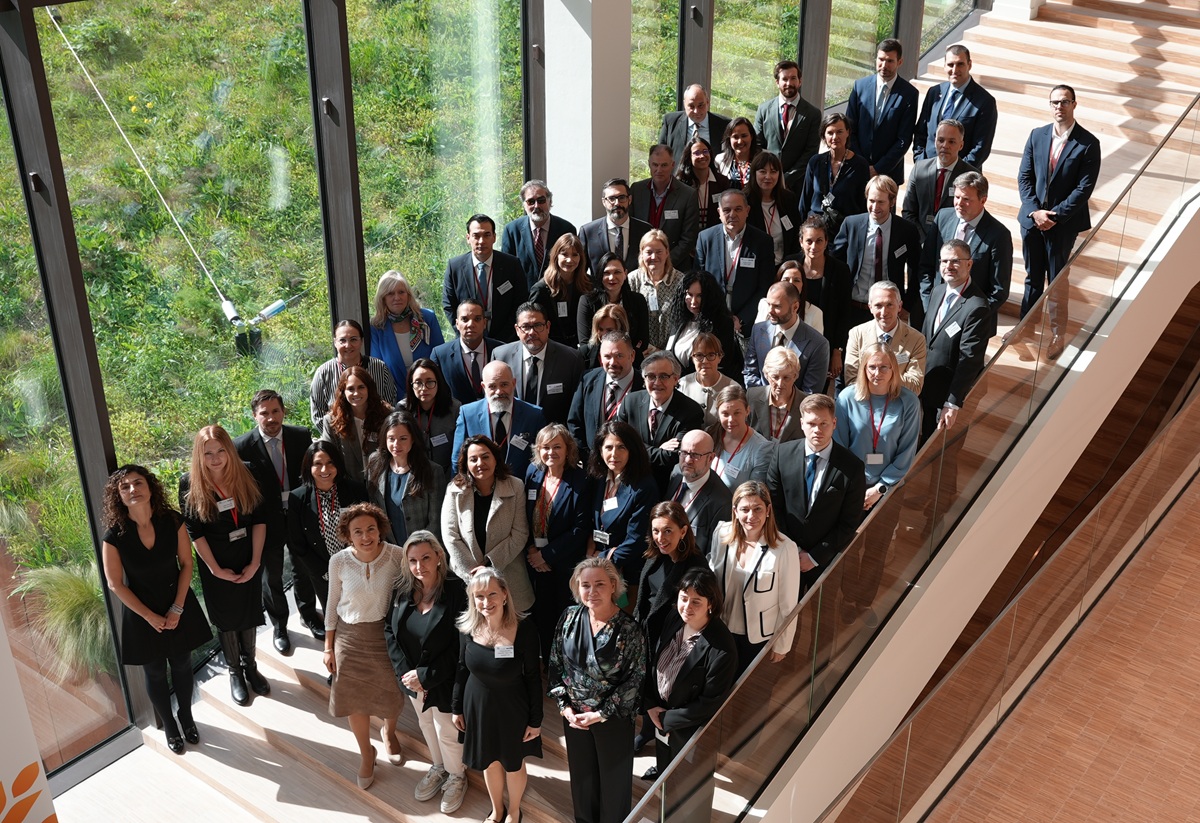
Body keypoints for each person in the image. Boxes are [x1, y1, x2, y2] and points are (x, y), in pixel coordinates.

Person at [101, 466, 211, 754]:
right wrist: (149, 617)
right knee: (155, 672)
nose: (132, 490)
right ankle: (170, 724)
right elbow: (115, 584)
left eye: (138, 483)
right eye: (125, 487)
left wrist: (177, 608)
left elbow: (186, 564)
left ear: (150, 487)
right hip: (142, 614)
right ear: (118, 496)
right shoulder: (113, 537)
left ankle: (186, 716)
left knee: (183, 664)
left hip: (177, 603)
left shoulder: (172, 520)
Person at [548, 556, 647, 823]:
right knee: (582, 782)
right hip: (575, 717)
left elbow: (634, 680)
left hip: (612, 719)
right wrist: (565, 707)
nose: (592, 591)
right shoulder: (569, 617)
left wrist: (599, 714)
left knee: (614, 787)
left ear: (613, 585)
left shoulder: (629, 629)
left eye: (600, 584)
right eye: (586, 585)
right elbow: (556, 663)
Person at [178, 425, 270, 707]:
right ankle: (235, 672)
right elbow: (194, 532)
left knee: (249, 612)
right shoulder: (189, 483)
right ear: (199, 455)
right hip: (215, 562)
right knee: (227, 619)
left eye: (220, 451)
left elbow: (260, 520)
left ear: (229, 450)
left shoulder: (247, 471)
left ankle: (250, 666)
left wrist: (255, 562)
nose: (216, 458)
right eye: (208, 453)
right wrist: (216, 570)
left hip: (248, 555)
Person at [834, 343, 922, 622]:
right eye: (871, 366)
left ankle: (863, 602)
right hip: (852, 488)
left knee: (877, 547)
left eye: (884, 366)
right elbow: (839, 448)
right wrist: (857, 488)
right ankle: (848, 596)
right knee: (848, 545)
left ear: (894, 369)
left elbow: (906, 452)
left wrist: (879, 489)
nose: (877, 372)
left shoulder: (908, 402)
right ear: (863, 369)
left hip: (889, 489)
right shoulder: (847, 398)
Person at [384, 532, 469, 814]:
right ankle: (439, 767)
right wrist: (406, 673)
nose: (419, 566)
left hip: (443, 678)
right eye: (413, 560)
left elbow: (461, 645)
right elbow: (389, 630)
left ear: (439, 557)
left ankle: (457, 775)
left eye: (425, 558)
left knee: (447, 730)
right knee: (425, 724)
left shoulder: (457, 591)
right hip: (411, 680)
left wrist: (426, 675)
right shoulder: (401, 588)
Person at [323, 503, 406, 789]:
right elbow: (332, 604)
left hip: (385, 635)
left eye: (371, 529)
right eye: (357, 531)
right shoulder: (338, 561)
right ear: (347, 535)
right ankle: (366, 753)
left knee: (391, 693)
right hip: (349, 636)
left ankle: (388, 733)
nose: (365, 536)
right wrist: (328, 647)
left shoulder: (397, 555)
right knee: (354, 700)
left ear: (380, 529)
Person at [1016, 84, 1101, 360]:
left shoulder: (1088, 143)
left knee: (1057, 281)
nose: (1059, 107)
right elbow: (1025, 177)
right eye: (1054, 102)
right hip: (1032, 221)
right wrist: (1035, 212)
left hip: (1062, 225)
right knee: (1032, 278)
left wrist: (1053, 216)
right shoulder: (1036, 135)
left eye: (1064, 102)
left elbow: (1083, 189)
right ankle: (1026, 327)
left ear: (1074, 104)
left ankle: (1057, 334)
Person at [641, 567, 737, 811]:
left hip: (690, 733)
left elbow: (709, 703)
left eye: (696, 601)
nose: (687, 607)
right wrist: (651, 705)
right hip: (661, 718)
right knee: (667, 784)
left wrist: (666, 719)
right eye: (684, 598)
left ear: (711, 604)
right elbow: (654, 663)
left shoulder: (723, 648)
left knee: (692, 797)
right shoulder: (675, 618)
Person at [452, 568, 543, 823]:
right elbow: (461, 668)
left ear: (504, 594)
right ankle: (497, 810)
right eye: (479, 596)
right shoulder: (467, 627)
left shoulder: (524, 629)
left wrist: (535, 720)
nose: (486, 602)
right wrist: (456, 707)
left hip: (512, 707)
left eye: (492, 594)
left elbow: (533, 678)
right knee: (489, 761)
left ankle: (514, 811)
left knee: (513, 763)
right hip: (477, 705)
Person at [232, 389, 317, 651]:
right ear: (254, 416)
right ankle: (279, 625)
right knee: (272, 577)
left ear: (283, 411)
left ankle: (309, 615)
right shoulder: (241, 447)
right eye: (264, 413)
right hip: (265, 523)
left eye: (275, 411)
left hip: (299, 516)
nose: (271, 418)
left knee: (303, 569)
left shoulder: (300, 436)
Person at [631, 500, 710, 756]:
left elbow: (697, 610)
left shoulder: (696, 565)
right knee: (648, 688)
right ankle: (646, 730)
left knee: (664, 694)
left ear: (683, 531)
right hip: (648, 634)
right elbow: (644, 599)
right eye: (656, 531)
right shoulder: (655, 556)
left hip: (672, 640)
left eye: (668, 531)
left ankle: (664, 751)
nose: (661, 538)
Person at [766, 393, 866, 591]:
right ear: (802, 423)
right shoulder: (781, 454)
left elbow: (849, 522)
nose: (817, 430)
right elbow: (773, 505)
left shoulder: (852, 467)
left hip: (825, 562)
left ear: (834, 423)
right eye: (811, 424)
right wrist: (792, 549)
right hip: (784, 553)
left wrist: (814, 557)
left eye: (823, 424)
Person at [710, 480, 802, 675]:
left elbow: (788, 605)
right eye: (745, 509)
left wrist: (782, 645)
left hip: (756, 639)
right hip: (721, 631)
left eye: (757, 509)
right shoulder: (721, 534)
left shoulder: (785, 548)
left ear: (768, 510)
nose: (751, 516)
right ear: (735, 511)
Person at [441, 435, 535, 612]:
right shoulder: (454, 489)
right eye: (473, 459)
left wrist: (490, 567)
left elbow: (520, 533)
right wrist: (475, 573)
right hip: (467, 578)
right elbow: (450, 535)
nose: (480, 463)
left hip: (509, 578)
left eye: (485, 457)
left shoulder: (515, 486)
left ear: (495, 459)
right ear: (465, 464)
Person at [920, 171, 1013, 340]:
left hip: (972, 326)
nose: (959, 204)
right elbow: (926, 266)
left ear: (983, 200)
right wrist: (930, 304)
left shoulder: (999, 235)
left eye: (966, 199)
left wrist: (969, 317)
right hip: (935, 315)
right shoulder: (942, 217)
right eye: (957, 197)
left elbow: (999, 290)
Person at [525, 423, 592, 657]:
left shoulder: (581, 480)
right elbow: (523, 515)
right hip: (535, 563)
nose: (551, 452)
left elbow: (580, 529)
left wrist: (546, 555)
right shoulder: (533, 473)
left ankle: (567, 665)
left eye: (557, 447)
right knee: (542, 617)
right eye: (545, 447)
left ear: (568, 449)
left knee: (566, 618)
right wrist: (532, 551)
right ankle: (546, 664)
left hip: (565, 564)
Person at [286, 441, 370, 616]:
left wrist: (357, 563)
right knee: (333, 615)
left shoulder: (356, 490)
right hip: (322, 572)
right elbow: (297, 542)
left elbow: (368, 528)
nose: (325, 469)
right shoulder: (298, 498)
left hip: (358, 566)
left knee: (364, 611)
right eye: (318, 464)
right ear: (309, 466)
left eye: (330, 463)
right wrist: (324, 571)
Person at [921, 239, 990, 444]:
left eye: (955, 261)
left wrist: (952, 403)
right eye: (944, 261)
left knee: (937, 451)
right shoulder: (938, 291)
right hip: (925, 386)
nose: (948, 266)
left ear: (969, 264)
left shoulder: (977, 306)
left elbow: (969, 359)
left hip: (947, 395)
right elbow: (927, 339)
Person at [833, 175, 923, 329]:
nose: (875, 207)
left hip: (887, 313)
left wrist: (907, 305)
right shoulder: (851, 225)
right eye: (871, 201)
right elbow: (835, 262)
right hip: (854, 308)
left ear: (892, 202)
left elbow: (917, 270)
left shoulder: (906, 231)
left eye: (881, 202)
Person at [586, 420, 658, 601]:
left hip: (626, 574)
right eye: (608, 447)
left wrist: (601, 559)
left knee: (621, 616)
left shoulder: (644, 487)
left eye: (621, 447)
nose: (614, 454)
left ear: (632, 450)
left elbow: (637, 540)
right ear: (600, 450)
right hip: (597, 565)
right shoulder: (598, 478)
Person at [616, 351, 706, 493]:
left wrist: (634, 447)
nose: (657, 383)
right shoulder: (630, 402)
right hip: (629, 482)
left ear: (675, 379)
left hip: (665, 487)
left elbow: (675, 456)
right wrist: (659, 449)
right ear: (644, 379)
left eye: (664, 376)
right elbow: (619, 442)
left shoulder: (690, 411)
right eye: (651, 376)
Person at [695, 188, 776, 334]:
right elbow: (698, 281)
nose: (732, 214)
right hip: (712, 319)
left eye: (738, 209)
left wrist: (741, 319)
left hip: (748, 322)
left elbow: (765, 286)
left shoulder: (762, 242)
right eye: (727, 210)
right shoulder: (705, 238)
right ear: (719, 212)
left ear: (747, 210)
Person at [494, 302, 585, 426]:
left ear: (548, 327)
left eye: (538, 325)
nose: (532, 332)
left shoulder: (570, 359)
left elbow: (576, 409)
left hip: (553, 433)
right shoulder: (500, 356)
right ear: (517, 330)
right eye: (526, 326)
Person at [451, 360, 548, 478]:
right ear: (483, 387)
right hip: (480, 486)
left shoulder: (533, 415)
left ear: (513, 383)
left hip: (521, 485)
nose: (499, 391)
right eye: (492, 386)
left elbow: (541, 459)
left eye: (504, 384)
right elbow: (458, 459)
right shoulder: (468, 414)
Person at [442, 214, 529, 343]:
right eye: (476, 236)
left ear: (494, 237)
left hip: (505, 340)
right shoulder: (455, 267)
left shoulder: (512, 265)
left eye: (487, 235)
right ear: (468, 238)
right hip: (468, 340)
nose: (481, 241)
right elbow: (449, 305)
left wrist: (506, 337)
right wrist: (465, 331)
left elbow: (520, 302)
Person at [913, 44, 998, 171]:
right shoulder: (934, 92)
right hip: (927, 171)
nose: (954, 70)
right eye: (950, 65)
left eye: (960, 64)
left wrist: (954, 173)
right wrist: (921, 162)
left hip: (961, 177)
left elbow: (981, 148)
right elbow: (921, 132)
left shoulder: (985, 101)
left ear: (969, 65)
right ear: (944, 66)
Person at [845, 38, 919, 184]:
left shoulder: (909, 94)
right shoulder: (860, 86)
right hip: (857, 169)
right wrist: (861, 164)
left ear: (899, 62)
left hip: (888, 174)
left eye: (890, 61)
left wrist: (877, 168)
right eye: (881, 59)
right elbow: (850, 129)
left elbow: (904, 139)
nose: (884, 65)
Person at [367, 411, 446, 545]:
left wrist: (418, 549)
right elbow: (374, 508)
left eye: (403, 438)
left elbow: (435, 521)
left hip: (422, 548)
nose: (396, 444)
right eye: (391, 438)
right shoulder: (375, 463)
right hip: (388, 546)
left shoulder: (432, 471)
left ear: (413, 439)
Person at [568, 331, 643, 465]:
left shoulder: (644, 386)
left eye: (619, 356)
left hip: (633, 465)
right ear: (600, 358)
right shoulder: (588, 380)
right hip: (594, 465)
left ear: (632, 356)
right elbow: (574, 422)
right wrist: (589, 458)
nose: (613, 362)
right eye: (607, 357)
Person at [789, 218, 853, 370]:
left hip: (825, 343)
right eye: (809, 241)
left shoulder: (840, 270)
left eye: (819, 241)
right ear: (801, 242)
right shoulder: (790, 265)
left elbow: (844, 314)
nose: (814, 246)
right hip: (792, 341)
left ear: (826, 242)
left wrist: (837, 352)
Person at [743, 281, 830, 393]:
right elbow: (750, 372)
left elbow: (810, 392)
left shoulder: (818, 344)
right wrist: (762, 399)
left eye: (777, 306)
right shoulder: (758, 330)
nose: (770, 311)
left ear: (795, 307)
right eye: (769, 304)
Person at [844, 280, 927, 395]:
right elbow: (852, 380)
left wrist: (879, 379)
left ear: (899, 306)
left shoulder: (916, 339)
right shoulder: (857, 334)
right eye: (878, 306)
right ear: (870, 307)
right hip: (865, 400)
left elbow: (915, 385)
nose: (884, 312)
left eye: (889, 305)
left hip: (899, 402)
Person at [309, 319, 397, 427]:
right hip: (338, 434)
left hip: (378, 432)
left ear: (361, 341)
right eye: (342, 340)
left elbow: (390, 404)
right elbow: (317, 414)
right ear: (335, 342)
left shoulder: (380, 368)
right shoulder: (323, 373)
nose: (348, 345)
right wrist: (335, 434)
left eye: (353, 339)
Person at [902, 119, 976, 244]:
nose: (945, 146)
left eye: (951, 142)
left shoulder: (971, 176)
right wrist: (924, 241)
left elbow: (971, 217)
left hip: (951, 246)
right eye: (941, 140)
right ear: (935, 141)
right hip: (919, 244)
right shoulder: (919, 169)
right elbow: (908, 212)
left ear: (961, 145)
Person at [368, 270, 445, 391]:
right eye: (390, 293)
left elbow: (441, 358)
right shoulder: (377, 327)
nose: (397, 297)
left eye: (401, 292)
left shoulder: (427, 319)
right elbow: (377, 369)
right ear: (383, 298)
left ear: (408, 295)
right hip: (394, 396)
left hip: (428, 391)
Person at [663, 430, 733, 560]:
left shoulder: (722, 503)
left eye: (695, 455)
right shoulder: (676, 472)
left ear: (711, 458)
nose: (688, 460)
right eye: (684, 453)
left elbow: (713, 555)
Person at [663, 271, 743, 382]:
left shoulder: (722, 324)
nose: (693, 301)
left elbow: (723, 364)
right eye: (689, 294)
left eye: (699, 296)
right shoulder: (679, 320)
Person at [753, 60, 821, 190]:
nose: (789, 83)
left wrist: (786, 178)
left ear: (800, 81)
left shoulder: (813, 114)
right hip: (766, 183)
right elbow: (757, 145)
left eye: (793, 78)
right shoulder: (763, 109)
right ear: (777, 82)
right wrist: (769, 175)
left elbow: (811, 152)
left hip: (797, 185)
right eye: (784, 79)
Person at [800, 113, 870, 237]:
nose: (835, 137)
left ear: (848, 132)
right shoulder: (815, 162)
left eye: (839, 132)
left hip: (844, 233)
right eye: (830, 133)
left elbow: (863, 206)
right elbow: (804, 202)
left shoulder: (860, 165)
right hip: (815, 231)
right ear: (823, 135)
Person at [630, 144, 699, 270]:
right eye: (655, 165)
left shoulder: (688, 195)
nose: (659, 170)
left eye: (664, 165)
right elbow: (631, 230)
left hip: (675, 267)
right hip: (641, 266)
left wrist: (664, 262)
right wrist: (643, 260)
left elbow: (688, 239)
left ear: (673, 165)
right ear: (649, 164)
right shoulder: (636, 190)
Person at [501, 179, 578, 289]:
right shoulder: (512, 230)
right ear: (524, 205)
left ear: (550, 202)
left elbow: (573, 268)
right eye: (531, 201)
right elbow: (506, 269)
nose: (536, 206)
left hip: (556, 293)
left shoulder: (566, 229)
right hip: (524, 296)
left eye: (541, 200)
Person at [319, 366, 392, 483]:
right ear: (343, 392)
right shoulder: (331, 421)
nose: (356, 393)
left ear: (369, 388)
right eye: (350, 389)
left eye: (361, 387)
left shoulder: (388, 415)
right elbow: (329, 457)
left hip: (385, 482)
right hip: (350, 485)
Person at [576, 252, 651, 358]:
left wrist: (626, 356)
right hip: (597, 361)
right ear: (600, 275)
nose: (612, 277)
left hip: (631, 361)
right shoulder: (587, 301)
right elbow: (585, 344)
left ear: (625, 274)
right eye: (606, 273)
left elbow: (642, 341)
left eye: (617, 272)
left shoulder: (638, 300)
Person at [430, 299, 503, 406]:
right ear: (457, 323)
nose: (471, 324)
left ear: (484, 323)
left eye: (477, 319)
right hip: (457, 415)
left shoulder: (501, 350)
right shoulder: (440, 355)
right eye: (465, 319)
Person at [397, 358, 461, 476]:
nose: (424, 388)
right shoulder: (402, 409)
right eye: (418, 382)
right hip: (413, 474)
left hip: (447, 474)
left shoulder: (454, 408)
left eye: (430, 382)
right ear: (411, 385)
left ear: (438, 383)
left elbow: (459, 449)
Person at [529, 233, 592, 348]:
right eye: (564, 254)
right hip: (552, 349)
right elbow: (534, 324)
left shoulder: (589, 285)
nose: (570, 260)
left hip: (582, 349)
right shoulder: (541, 289)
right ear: (556, 256)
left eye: (575, 255)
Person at [579, 178, 652, 275]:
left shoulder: (646, 230)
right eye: (612, 199)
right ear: (604, 202)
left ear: (629, 200)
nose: (617, 203)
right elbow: (580, 271)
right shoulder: (588, 232)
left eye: (622, 198)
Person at [708, 385, 774, 489]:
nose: (731, 420)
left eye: (737, 413)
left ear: (747, 411)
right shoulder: (710, 435)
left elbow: (754, 492)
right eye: (725, 414)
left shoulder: (762, 448)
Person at [627, 229, 683, 349]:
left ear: (667, 252)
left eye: (659, 252)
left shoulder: (680, 281)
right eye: (649, 252)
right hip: (641, 350)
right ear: (641, 253)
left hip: (672, 351)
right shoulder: (632, 280)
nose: (654, 257)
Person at [746, 151, 803, 266]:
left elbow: (796, 233)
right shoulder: (745, 201)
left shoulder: (788, 199)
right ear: (754, 173)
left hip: (785, 264)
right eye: (763, 172)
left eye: (773, 172)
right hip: (757, 264)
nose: (768, 177)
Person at [658, 84, 731, 165]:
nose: (696, 111)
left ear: (707, 102)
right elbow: (660, 155)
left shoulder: (724, 125)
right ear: (684, 104)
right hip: (679, 172)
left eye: (700, 105)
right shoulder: (670, 122)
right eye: (691, 106)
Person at [748, 347, 807, 443]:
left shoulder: (806, 404)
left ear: (795, 376)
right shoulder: (751, 397)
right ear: (766, 375)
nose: (780, 384)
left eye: (786, 378)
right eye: (775, 377)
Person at [677, 331, 737, 424]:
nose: (705, 361)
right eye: (699, 355)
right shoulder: (682, 385)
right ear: (692, 358)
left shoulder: (733, 388)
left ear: (720, 357)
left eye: (711, 355)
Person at [675, 136, 731, 231]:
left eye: (705, 151)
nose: (702, 156)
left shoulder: (722, 182)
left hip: (714, 233)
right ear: (689, 157)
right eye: (697, 153)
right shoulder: (681, 183)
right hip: (688, 234)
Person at [576, 302, 633, 371]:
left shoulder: (631, 354)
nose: (603, 334)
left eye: (609, 330)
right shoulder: (583, 353)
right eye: (600, 329)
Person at [713, 116, 760, 190]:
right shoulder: (720, 160)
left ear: (751, 136)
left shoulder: (764, 158)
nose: (740, 141)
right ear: (729, 139)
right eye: (735, 137)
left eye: (744, 136)